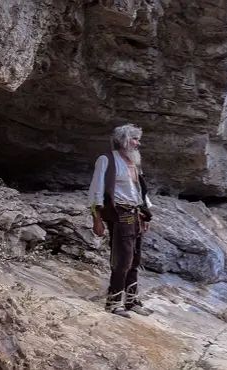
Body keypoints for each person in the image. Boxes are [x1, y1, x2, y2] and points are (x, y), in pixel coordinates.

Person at [88, 123, 154, 318]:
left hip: (136, 215)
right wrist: (97, 219)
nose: (138, 143)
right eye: (134, 139)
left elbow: (140, 190)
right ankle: (114, 303)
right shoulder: (106, 160)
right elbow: (96, 190)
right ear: (123, 140)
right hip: (120, 214)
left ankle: (132, 301)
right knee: (122, 259)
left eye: (138, 139)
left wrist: (145, 213)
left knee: (135, 258)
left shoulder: (134, 162)